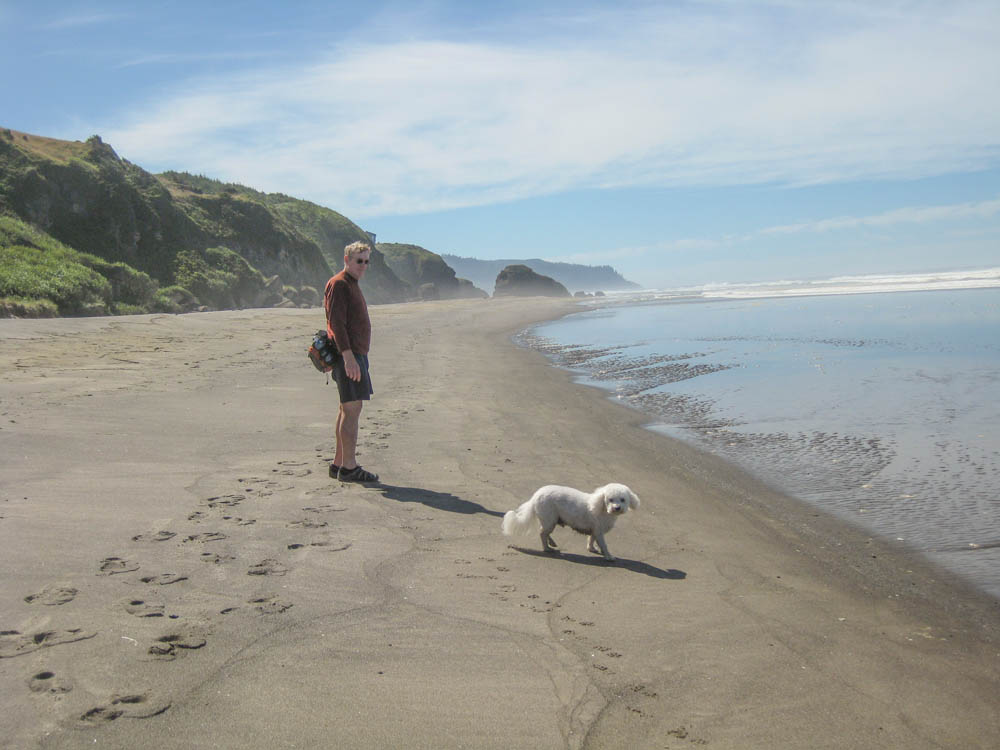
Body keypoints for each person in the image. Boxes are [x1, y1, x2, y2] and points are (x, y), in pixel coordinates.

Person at [324, 240, 379, 483]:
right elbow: (336, 323)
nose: (364, 265)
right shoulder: (339, 283)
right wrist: (348, 357)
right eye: (359, 261)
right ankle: (349, 467)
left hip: (355, 355)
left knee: (347, 409)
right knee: (352, 409)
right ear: (347, 260)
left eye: (367, 261)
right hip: (349, 356)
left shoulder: (351, 283)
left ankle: (339, 463)